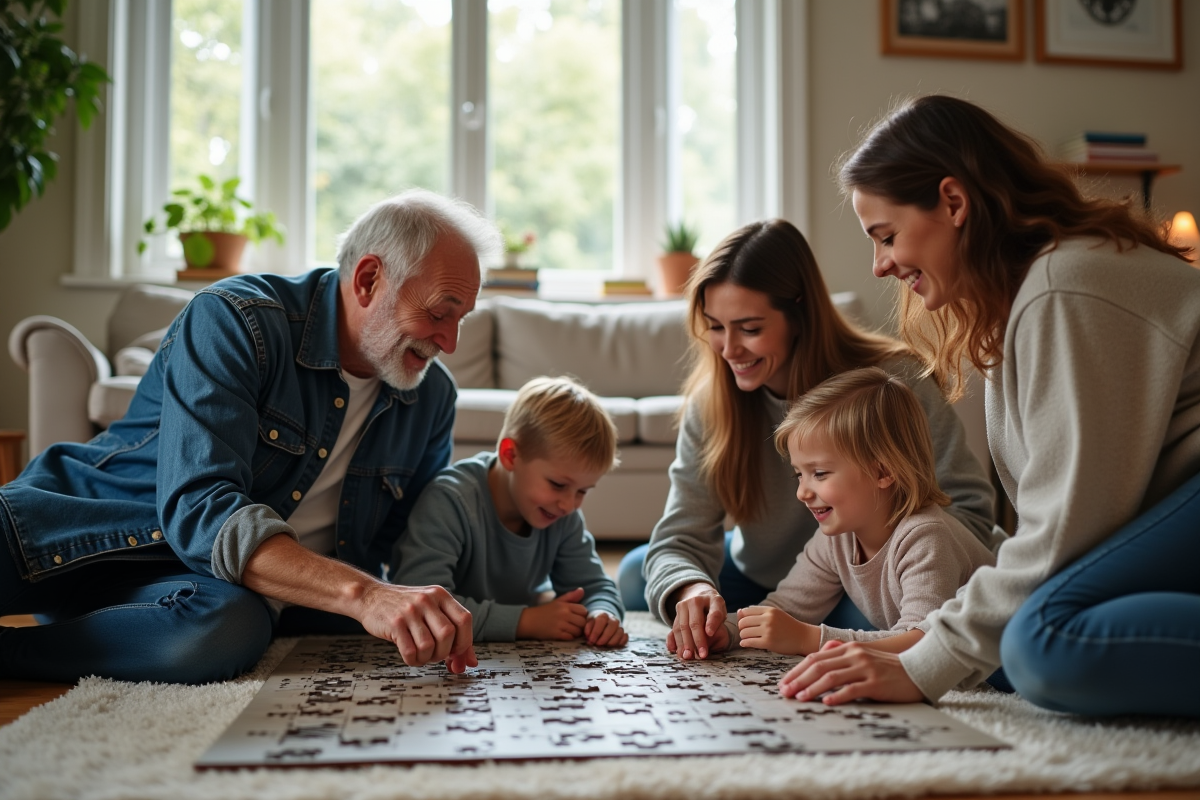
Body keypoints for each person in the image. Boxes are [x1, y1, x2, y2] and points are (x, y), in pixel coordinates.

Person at [778, 94, 1200, 718]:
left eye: (887, 236)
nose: (879, 265)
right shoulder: (1027, 297)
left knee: (1039, 643)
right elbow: (1061, 529)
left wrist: (921, 666)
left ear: (953, 202)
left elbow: (1066, 530)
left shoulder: (1064, 284)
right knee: (1011, 633)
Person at [0, 189, 501, 684]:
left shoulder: (431, 398)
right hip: (70, 532)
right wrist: (365, 595)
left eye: (462, 319)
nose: (450, 343)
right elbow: (201, 508)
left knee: (225, 629)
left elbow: (413, 548)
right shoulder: (237, 319)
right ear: (369, 279)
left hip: (196, 593)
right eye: (440, 312)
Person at [619, 218, 1001, 662]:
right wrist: (694, 589)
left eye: (749, 327)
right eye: (715, 327)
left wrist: (868, 574)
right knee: (638, 576)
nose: (728, 350)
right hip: (771, 571)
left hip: (872, 574)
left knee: (861, 620)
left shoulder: (891, 383)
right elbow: (680, 535)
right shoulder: (714, 400)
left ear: (799, 311)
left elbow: (969, 512)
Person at [734, 366, 994, 657]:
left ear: (883, 472)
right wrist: (724, 630)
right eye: (799, 475)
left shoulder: (926, 538)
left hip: (1005, 661)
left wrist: (812, 640)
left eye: (819, 473)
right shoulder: (837, 538)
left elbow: (923, 643)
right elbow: (784, 607)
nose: (802, 493)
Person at [391, 376, 627, 646]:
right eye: (558, 484)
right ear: (511, 456)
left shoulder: (562, 514)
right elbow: (422, 605)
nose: (569, 505)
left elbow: (595, 586)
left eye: (583, 491)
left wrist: (603, 613)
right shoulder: (450, 500)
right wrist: (526, 621)